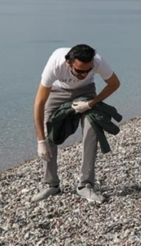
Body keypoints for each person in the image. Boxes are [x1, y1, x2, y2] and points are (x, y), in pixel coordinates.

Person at [32, 44, 121, 203]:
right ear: (68, 63)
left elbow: (114, 83)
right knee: (48, 132)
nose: (84, 73)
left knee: (92, 128)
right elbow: (39, 104)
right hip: (58, 91)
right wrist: (41, 141)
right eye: (80, 71)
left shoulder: (98, 61)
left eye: (88, 70)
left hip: (86, 91)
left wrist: (91, 103)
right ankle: (51, 184)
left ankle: (85, 185)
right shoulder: (55, 65)